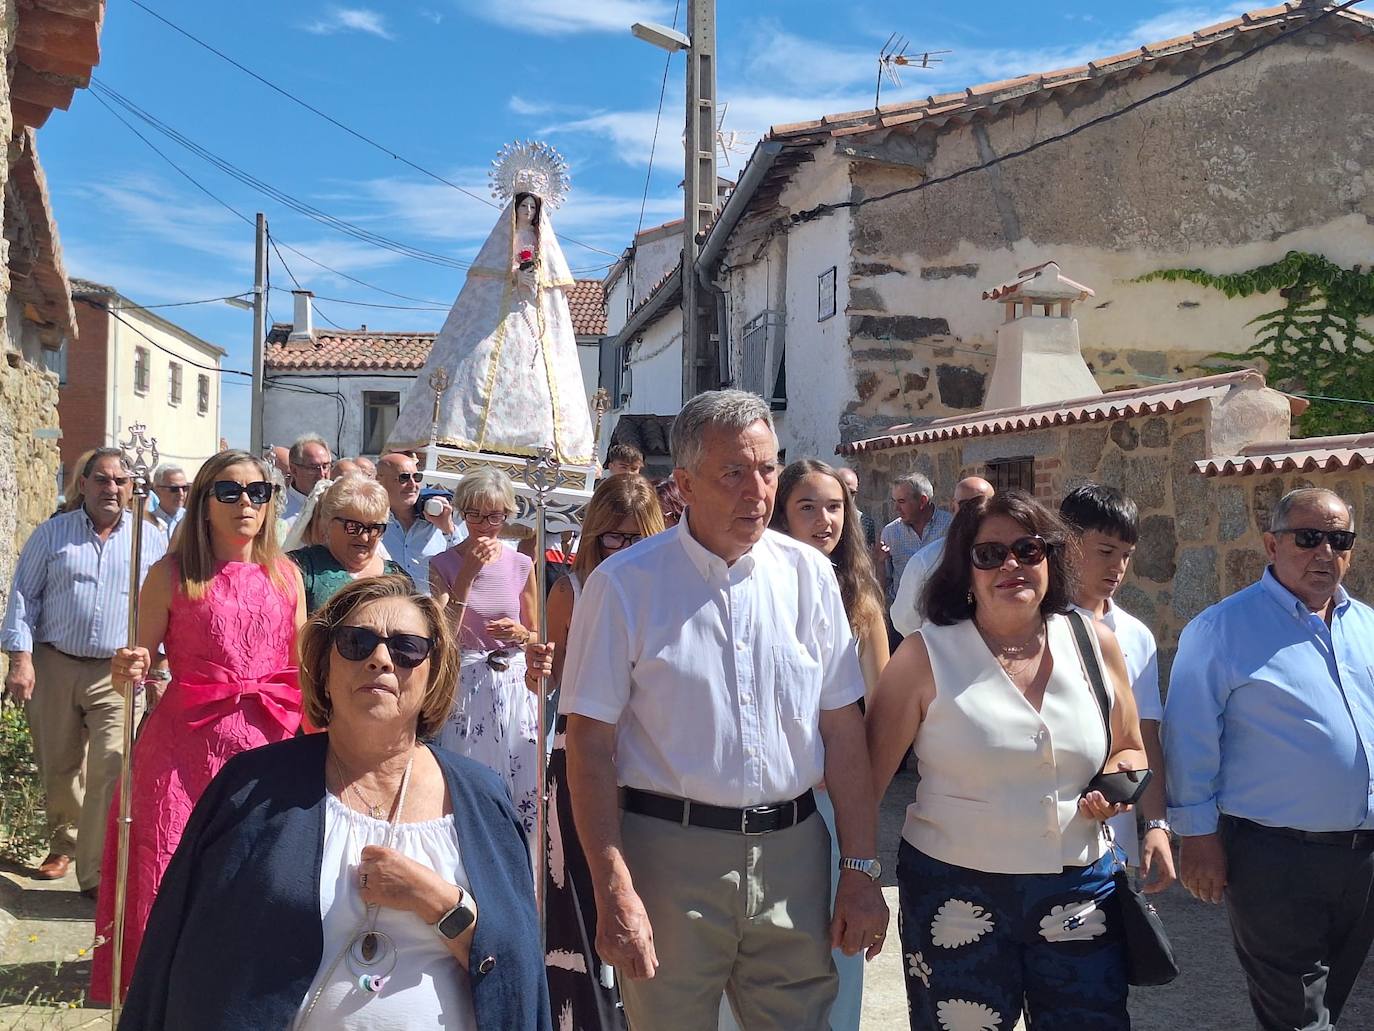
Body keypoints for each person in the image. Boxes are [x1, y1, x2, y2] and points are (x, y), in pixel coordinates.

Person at [560, 389, 888, 1031]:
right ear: (682, 484)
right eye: (733, 472)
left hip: (793, 855)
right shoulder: (624, 586)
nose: (756, 490)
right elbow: (589, 745)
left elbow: (843, 732)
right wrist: (611, 884)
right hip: (668, 858)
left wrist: (861, 867)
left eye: (767, 469)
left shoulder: (809, 577)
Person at [115, 575, 551, 1029]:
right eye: (356, 642)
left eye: (407, 648)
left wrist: (437, 901)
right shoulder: (252, 789)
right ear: (324, 666)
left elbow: (516, 968)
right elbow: (183, 956)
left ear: (434, 672)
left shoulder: (482, 796)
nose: (380, 659)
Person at [867, 490, 1146, 1031]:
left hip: (1080, 887)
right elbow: (868, 780)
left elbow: (1129, 746)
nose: (1011, 565)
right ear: (964, 570)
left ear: (1052, 558)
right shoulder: (924, 656)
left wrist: (1114, 792)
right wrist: (853, 875)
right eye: (989, 554)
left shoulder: (1094, 642)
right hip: (955, 895)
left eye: (1028, 549)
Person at [90, 449, 307, 1002]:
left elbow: (302, 668)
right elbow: (134, 671)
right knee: (167, 876)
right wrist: (128, 668)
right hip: (183, 747)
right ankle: (159, 997)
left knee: (256, 877)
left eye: (258, 493)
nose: (246, 504)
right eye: (229, 492)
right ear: (205, 502)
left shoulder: (286, 575)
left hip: (267, 746)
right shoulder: (171, 574)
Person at [1164, 487, 1374, 1031]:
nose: (1324, 552)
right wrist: (1198, 837)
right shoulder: (1220, 629)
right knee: (1298, 1016)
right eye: (1308, 538)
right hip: (1273, 857)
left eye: (1339, 540)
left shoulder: (1368, 628)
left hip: (1362, 857)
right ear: (1270, 545)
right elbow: (1189, 739)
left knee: (1327, 1005)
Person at [2, 448, 168, 893]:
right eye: (101, 479)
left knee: (110, 767)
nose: (110, 488)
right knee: (59, 765)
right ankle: (65, 842)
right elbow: (23, 597)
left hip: (118, 671)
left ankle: (94, 873)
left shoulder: (149, 541)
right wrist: (21, 659)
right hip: (55, 662)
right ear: (84, 484)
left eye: (120, 481)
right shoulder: (53, 535)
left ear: (132, 489)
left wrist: (161, 667)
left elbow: (163, 605)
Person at [769, 458, 890, 1031]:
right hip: (771, 793)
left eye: (835, 506)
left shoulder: (862, 601)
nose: (825, 519)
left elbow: (881, 711)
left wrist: (852, 786)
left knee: (837, 940)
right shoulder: (759, 587)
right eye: (808, 506)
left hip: (835, 798)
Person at [387, 142, 595, 466]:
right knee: (476, 370)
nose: (528, 213)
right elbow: (489, 281)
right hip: (495, 318)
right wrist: (514, 276)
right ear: (514, 209)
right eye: (523, 207)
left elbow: (550, 285)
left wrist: (533, 280)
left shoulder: (546, 246)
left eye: (532, 208)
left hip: (532, 318)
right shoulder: (499, 245)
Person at [544, 473, 665, 1027]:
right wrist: (540, 668)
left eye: (638, 538)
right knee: (586, 901)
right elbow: (558, 684)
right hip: (582, 756)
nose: (625, 550)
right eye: (614, 538)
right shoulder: (572, 587)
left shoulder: (670, 587)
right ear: (595, 537)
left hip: (648, 762)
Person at [1060, 485, 1175, 892]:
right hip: (1040, 836)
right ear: (1068, 543)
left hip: (1112, 843)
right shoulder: (1034, 626)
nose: (1118, 567)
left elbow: (1145, 735)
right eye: (1106, 551)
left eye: (1126, 555)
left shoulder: (1136, 636)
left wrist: (1157, 825)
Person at [429, 467, 541, 842]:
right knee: (469, 784)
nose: (483, 525)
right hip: (467, 686)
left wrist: (522, 634)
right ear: (461, 512)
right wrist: (467, 574)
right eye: (474, 514)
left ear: (506, 516)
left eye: (494, 516)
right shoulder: (443, 564)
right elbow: (442, 632)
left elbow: (537, 633)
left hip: (514, 684)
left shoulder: (521, 564)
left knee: (523, 788)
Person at [890, 477, 995, 636]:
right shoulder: (926, 561)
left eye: (985, 503)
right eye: (967, 505)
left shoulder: (1010, 557)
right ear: (954, 507)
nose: (978, 510)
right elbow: (904, 619)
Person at [290, 476, 408, 613]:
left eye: (374, 528)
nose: (364, 538)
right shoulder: (300, 569)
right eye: (353, 527)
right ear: (327, 523)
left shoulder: (397, 577)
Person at [876, 473, 951, 651]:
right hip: (902, 627)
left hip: (942, 621)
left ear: (923, 501)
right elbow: (883, 583)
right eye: (894, 501)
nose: (896, 508)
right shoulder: (890, 533)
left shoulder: (951, 527)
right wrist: (879, 562)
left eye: (901, 501)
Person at [377, 452, 464, 595]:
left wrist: (448, 530)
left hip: (431, 611)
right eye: (404, 478)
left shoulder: (437, 518)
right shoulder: (373, 523)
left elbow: (461, 567)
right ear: (380, 481)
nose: (412, 485)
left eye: (417, 477)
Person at [285, 434, 334, 526]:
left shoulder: (339, 507)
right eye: (314, 468)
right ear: (294, 470)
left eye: (325, 466)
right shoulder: (279, 512)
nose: (322, 474)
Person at [834, 465, 875, 550]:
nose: (847, 497)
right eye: (844, 491)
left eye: (852, 493)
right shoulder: (822, 519)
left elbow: (866, 557)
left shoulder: (865, 523)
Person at [146, 463, 190, 541]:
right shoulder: (147, 523)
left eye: (184, 488)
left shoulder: (192, 520)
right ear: (157, 489)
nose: (181, 494)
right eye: (174, 489)